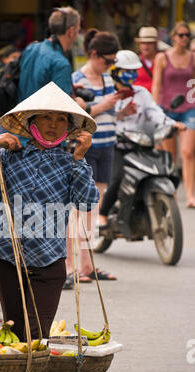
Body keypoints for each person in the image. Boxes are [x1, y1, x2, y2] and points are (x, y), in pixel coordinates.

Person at [0, 82, 98, 372]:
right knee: (16, 331)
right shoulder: (10, 154)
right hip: (6, 257)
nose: (54, 124)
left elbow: (86, 202)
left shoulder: (71, 163)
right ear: (32, 121)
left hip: (50, 262)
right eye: (47, 117)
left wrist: (81, 161)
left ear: (70, 127)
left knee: (38, 336)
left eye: (61, 119)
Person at [99, 50, 185, 229]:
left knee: (163, 169)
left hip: (141, 144)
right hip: (117, 146)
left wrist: (172, 123)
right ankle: (102, 213)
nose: (131, 75)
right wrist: (122, 114)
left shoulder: (141, 93)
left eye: (134, 71)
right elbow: (102, 118)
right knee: (116, 178)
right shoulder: (107, 93)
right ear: (115, 71)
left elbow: (155, 113)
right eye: (126, 71)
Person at [65, 28, 120, 285]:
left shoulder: (109, 80)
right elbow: (77, 117)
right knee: (76, 209)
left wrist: (123, 110)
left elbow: (112, 115)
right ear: (94, 54)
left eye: (113, 62)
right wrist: (103, 105)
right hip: (86, 147)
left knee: (93, 209)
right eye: (107, 60)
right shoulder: (77, 79)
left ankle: (87, 265)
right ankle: (69, 265)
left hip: (108, 145)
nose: (109, 65)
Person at [152, 21, 195, 208]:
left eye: (188, 35)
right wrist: (153, 111)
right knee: (171, 154)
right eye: (181, 35)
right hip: (167, 109)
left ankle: (191, 195)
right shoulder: (162, 57)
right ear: (174, 36)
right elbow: (156, 84)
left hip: (189, 108)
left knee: (188, 152)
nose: (185, 38)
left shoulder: (193, 57)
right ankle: (172, 193)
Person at [18, 6, 81, 103]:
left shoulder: (31, 48)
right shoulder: (61, 63)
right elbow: (63, 107)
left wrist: (66, 83)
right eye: (78, 31)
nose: (77, 36)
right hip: (43, 117)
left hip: (20, 115)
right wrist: (83, 105)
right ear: (71, 31)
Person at [134, 26, 170, 93]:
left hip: (160, 100)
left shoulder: (165, 60)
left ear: (155, 44)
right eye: (143, 43)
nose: (146, 46)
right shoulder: (133, 61)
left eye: (149, 43)